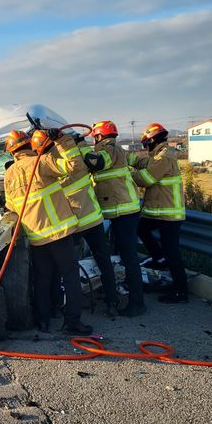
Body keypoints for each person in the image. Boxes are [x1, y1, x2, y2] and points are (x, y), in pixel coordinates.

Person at [3, 130, 92, 336]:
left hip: (36, 238)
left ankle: (43, 321)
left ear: (12, 152)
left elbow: (10, 205)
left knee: (42, 280)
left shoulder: (9, 174)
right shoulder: (41, 162)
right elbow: (74, 166)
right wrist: (63, 140)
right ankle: (73, 323)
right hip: (59, 233)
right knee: (70, 277)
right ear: (29, 146)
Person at [31, 129, 120, 317]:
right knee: (104, 261)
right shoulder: (72, 156)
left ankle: (57, 306)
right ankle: (112, 302)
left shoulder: (47, 166)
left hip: (71, 224)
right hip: (92, 217)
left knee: (61, 266)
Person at [90, 121, 146, 316]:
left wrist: (78, 151)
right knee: (126, 256)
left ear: (98, 136)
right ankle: (128, 296)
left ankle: (137, 304)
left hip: (124, 211)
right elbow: (134, 160)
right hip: (121, 210)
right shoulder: (118, 148)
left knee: (130, 258)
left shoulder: (108, 148)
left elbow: (97, 162)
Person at [130, 123, 187, 303]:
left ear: (153, 140)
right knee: (142, 229)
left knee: (173, 253)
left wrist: (126, 175)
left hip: (169, 214)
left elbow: (147, 178)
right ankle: (158, 258)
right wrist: (125, 159)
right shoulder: (157, 155)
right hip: (159, 212)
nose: (146, 147)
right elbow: (143, 163)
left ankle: (181, 292)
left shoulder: (164, 157)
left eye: (147, 143)